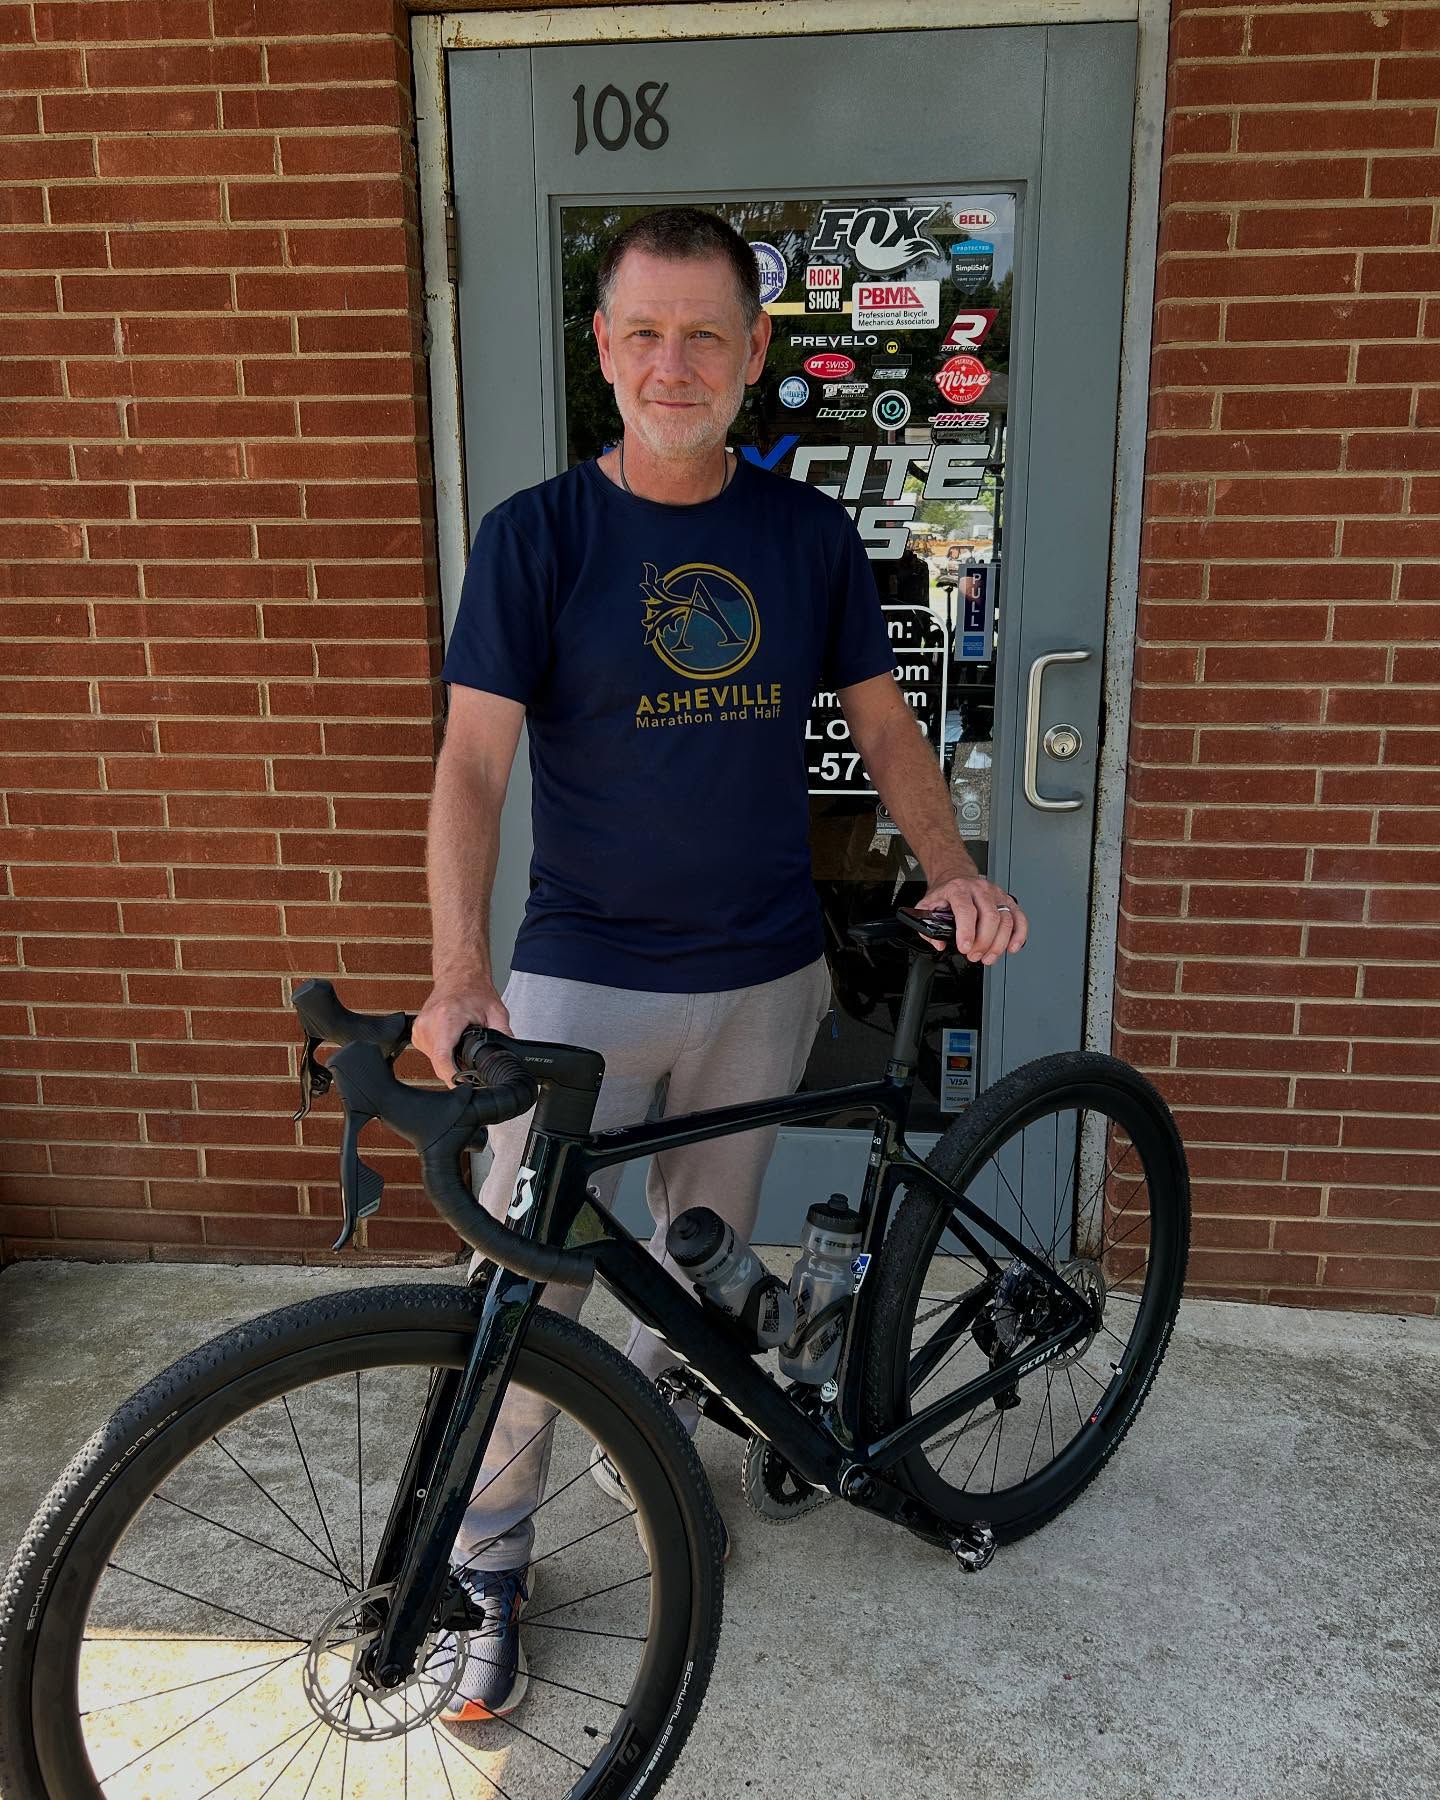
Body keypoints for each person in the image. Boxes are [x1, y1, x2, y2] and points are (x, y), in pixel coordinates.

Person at [412, 207, 1029, 1723]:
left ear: (755, 356)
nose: (673, 361)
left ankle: (673, 1466)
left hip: (766, 977)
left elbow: (887, 729)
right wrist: (457, 973)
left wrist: (949, 866)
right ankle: (488, 1565)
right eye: (643, 331)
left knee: (699, 1262)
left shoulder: (806, 535)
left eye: (706, 333)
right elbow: (473, 770)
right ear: (603, 350)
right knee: (523, 1290)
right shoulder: (537, 537)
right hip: (578, 982)